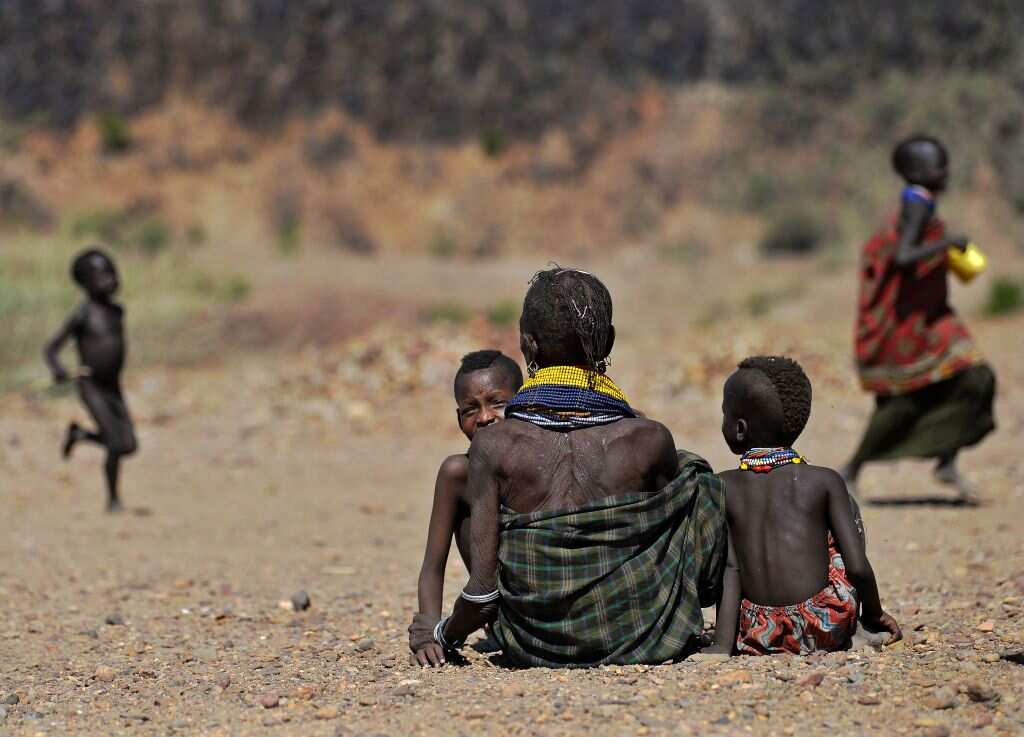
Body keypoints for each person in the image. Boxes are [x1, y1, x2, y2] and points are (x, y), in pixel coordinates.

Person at [408, 266, 726, 667]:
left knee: (468, 477)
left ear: (527, 347)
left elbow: (483, 595)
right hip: (640, 633)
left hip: (534, 641)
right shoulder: (649, 438)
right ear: (608, 341)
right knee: (695, 476)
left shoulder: (492, 445)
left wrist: (440, 633)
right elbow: (670, 530)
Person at [706, 356, 901, 656]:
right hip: (824, 626)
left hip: (759, 633)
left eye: (725, 414)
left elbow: (731, 568)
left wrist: (722, 645)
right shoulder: (823, 480)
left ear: (740, 429)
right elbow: (857, 566)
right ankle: (860, 628)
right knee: (844, 510)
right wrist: (874, 615)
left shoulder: (723, 485)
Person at [843, 135, 996, 502]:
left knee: (971, 376)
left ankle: (945, 458)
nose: (946, 172)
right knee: (904, 400)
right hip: (906, 326)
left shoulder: (920, 202)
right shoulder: (916, 205)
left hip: (925, 318)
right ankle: (852, 468)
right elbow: (904, 256)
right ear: (916, 173)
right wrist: (948, 245)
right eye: (938, 165)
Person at [410, 350, 523, 668]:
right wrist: (428, 632)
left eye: (497, 403)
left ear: (523, 400)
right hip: (496, 613)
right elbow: (433, 566)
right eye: (469, 410)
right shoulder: (458, 474)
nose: (484, 417)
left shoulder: (544, 459)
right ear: (458, 417)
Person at [44, 248, 137, 512]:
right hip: (91, 385)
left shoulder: (118, 312)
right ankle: (113, 499)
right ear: (85, 283)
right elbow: (51, 348)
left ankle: (80, 434)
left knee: (129, 445)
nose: (111, 280)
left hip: (112, 387)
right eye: (102, 276)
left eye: (113, 273)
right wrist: (58, 370)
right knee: (115, 443)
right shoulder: (83, 314)